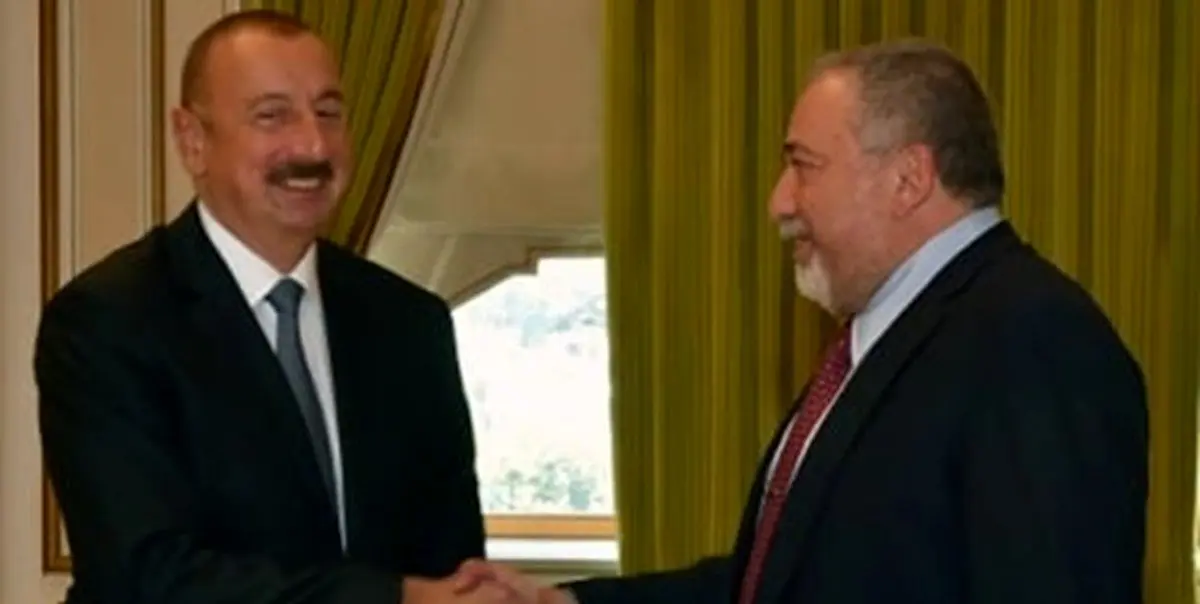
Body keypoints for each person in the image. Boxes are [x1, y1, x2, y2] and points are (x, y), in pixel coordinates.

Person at [454, 39, 1149, 604]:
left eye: (804, 166)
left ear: (908, 179)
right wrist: (559, 603)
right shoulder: (882, 341)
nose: (780, 202)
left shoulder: (1034, 341)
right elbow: (774, 582)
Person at [35, 9, 506, 604]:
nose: (313, 144)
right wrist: (397, 599)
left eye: (328, 113)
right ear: (192, 141)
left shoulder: (410, 322)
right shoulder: (107, 321)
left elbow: (452, 564)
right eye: (272, 115)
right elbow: (146, 575)